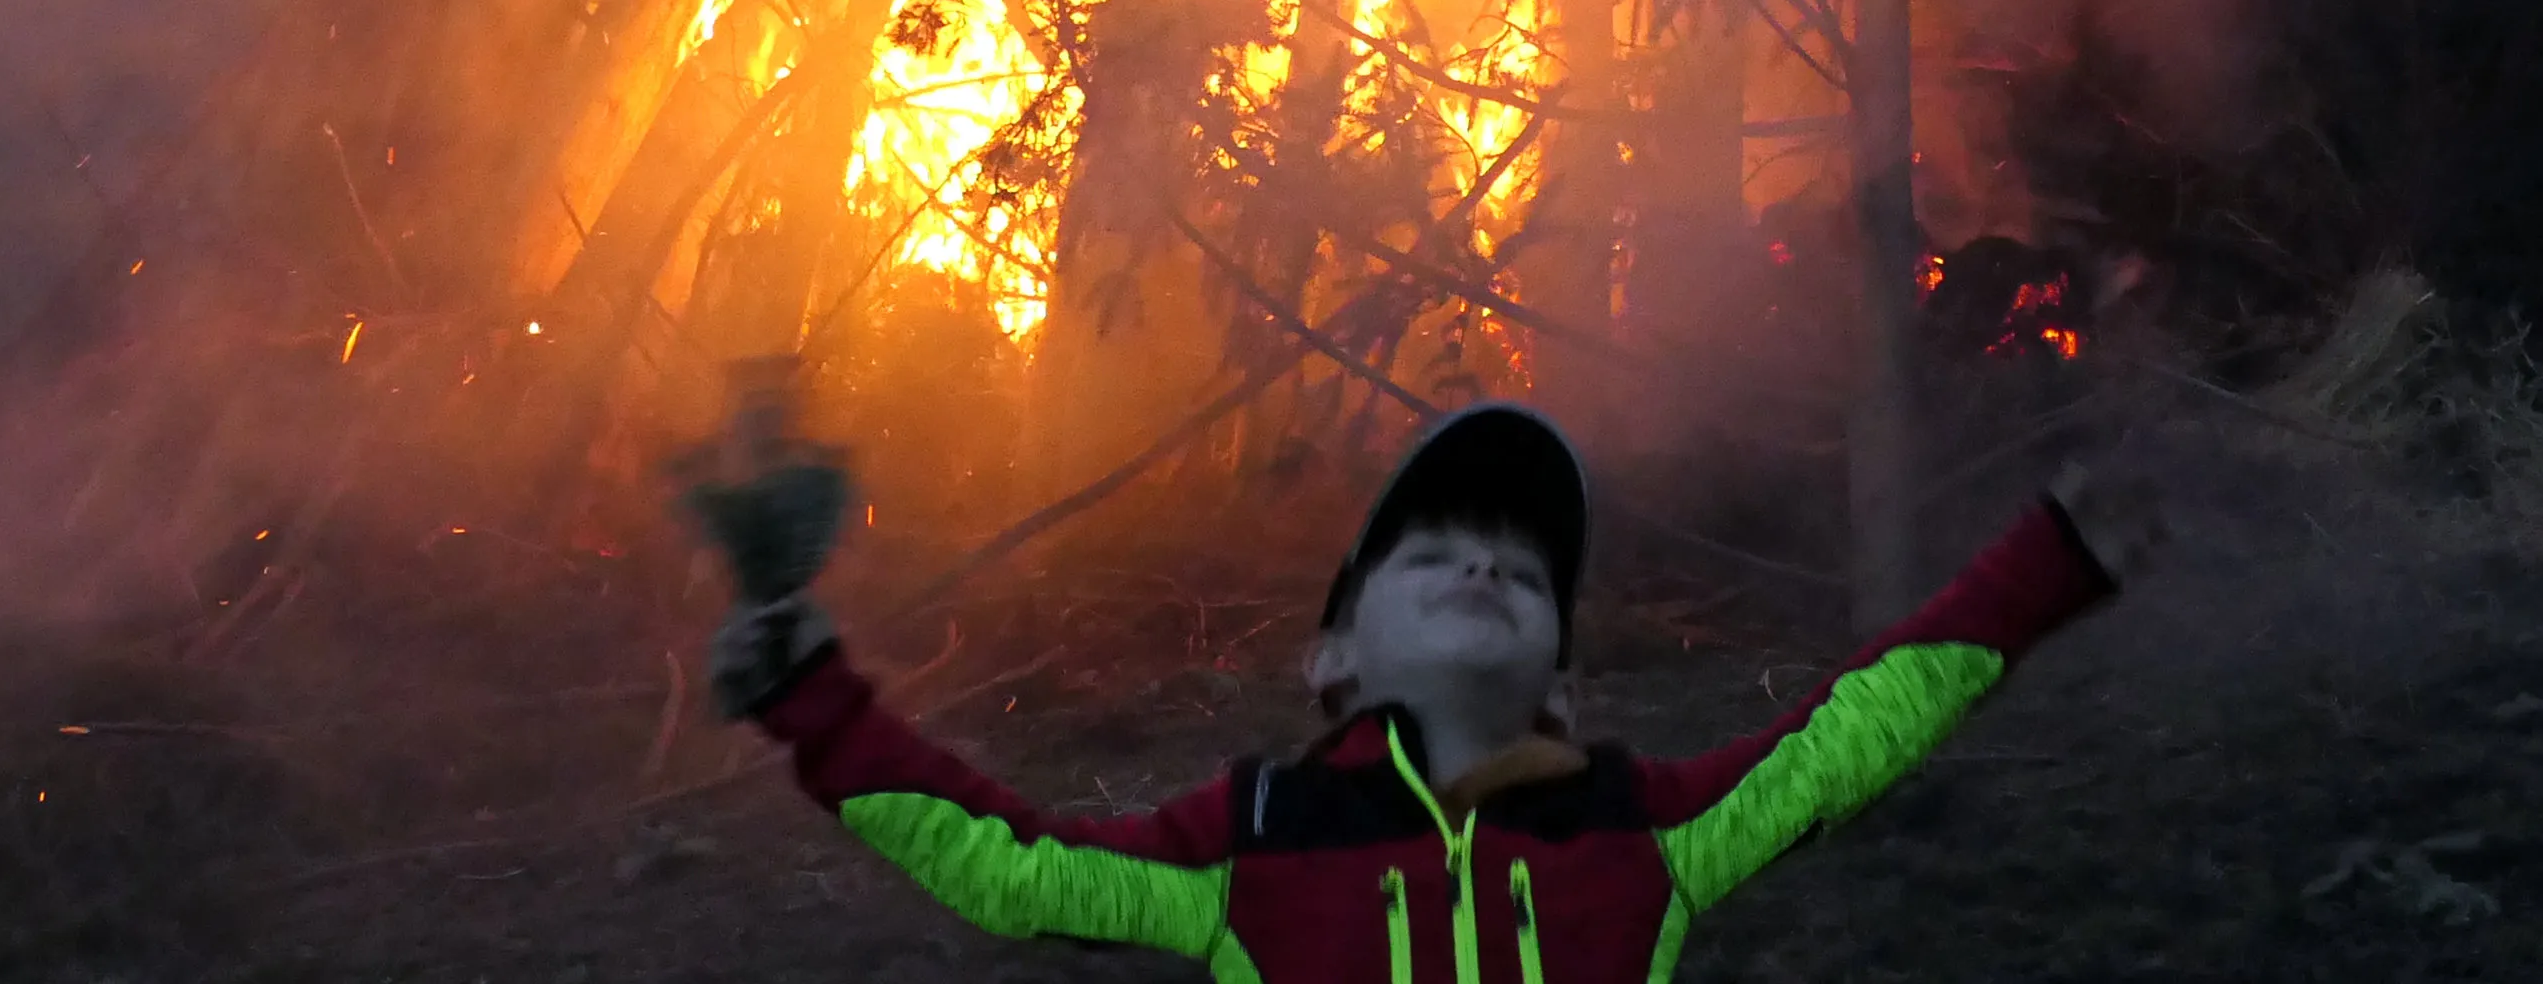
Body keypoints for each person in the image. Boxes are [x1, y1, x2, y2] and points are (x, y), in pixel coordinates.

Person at [701, 400, 2145, 981]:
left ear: (1566, 689)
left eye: (1522, 573)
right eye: (1434, 555)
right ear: (1330, 661)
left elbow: (1851, 736)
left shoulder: (1648, 835)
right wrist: (817, 701)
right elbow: (1010, 867)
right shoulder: (1246, 846)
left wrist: (2050, 562)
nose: (1484, 571)